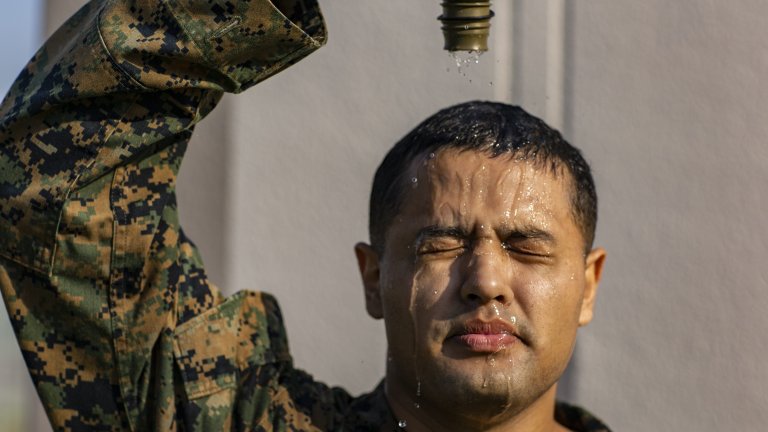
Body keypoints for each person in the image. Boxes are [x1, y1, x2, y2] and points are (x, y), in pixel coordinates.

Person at [0, 0, 608, 431]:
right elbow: (54, 180)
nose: (485, 281)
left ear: (587, 285)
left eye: (527, 248)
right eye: (440, 245)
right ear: (373, 276)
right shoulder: (231, 421)